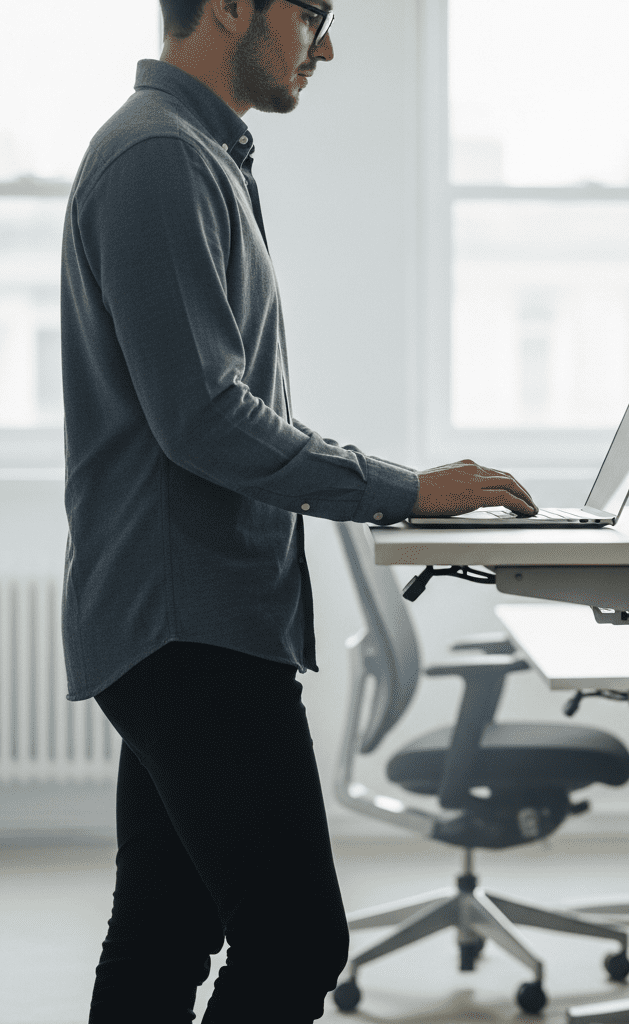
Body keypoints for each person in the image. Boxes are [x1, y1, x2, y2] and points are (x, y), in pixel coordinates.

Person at [59, 1, 537, 1021]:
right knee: (294, 937)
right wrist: (404, 488)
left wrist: (393, 488)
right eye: (311, 12)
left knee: (166, 926)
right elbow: (204, 419)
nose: (326, 44)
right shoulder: (158, 158)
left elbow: (217, 407)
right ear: (232, 5)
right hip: (186, 619)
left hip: (192, 613)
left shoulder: (197, 152)